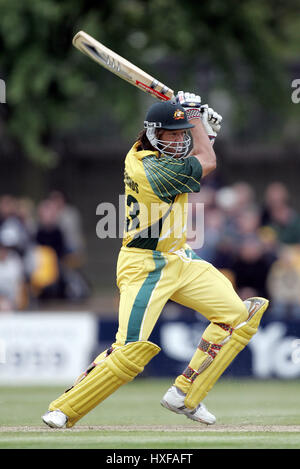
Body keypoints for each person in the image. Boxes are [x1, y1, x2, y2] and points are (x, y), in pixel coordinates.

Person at [42, 91, 269, 429]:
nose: (178, 141)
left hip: (178, 258)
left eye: (181, 135)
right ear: (152, 134)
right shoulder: (149, 168)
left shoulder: (158, 155)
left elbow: (197, 153)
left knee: (238, 317)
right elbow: (208, 162)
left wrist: (197, 125)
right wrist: (195, 120)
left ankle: (185, 394)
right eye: (171, 135)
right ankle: (64, 408)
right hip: (144, 264)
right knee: (131, 349)